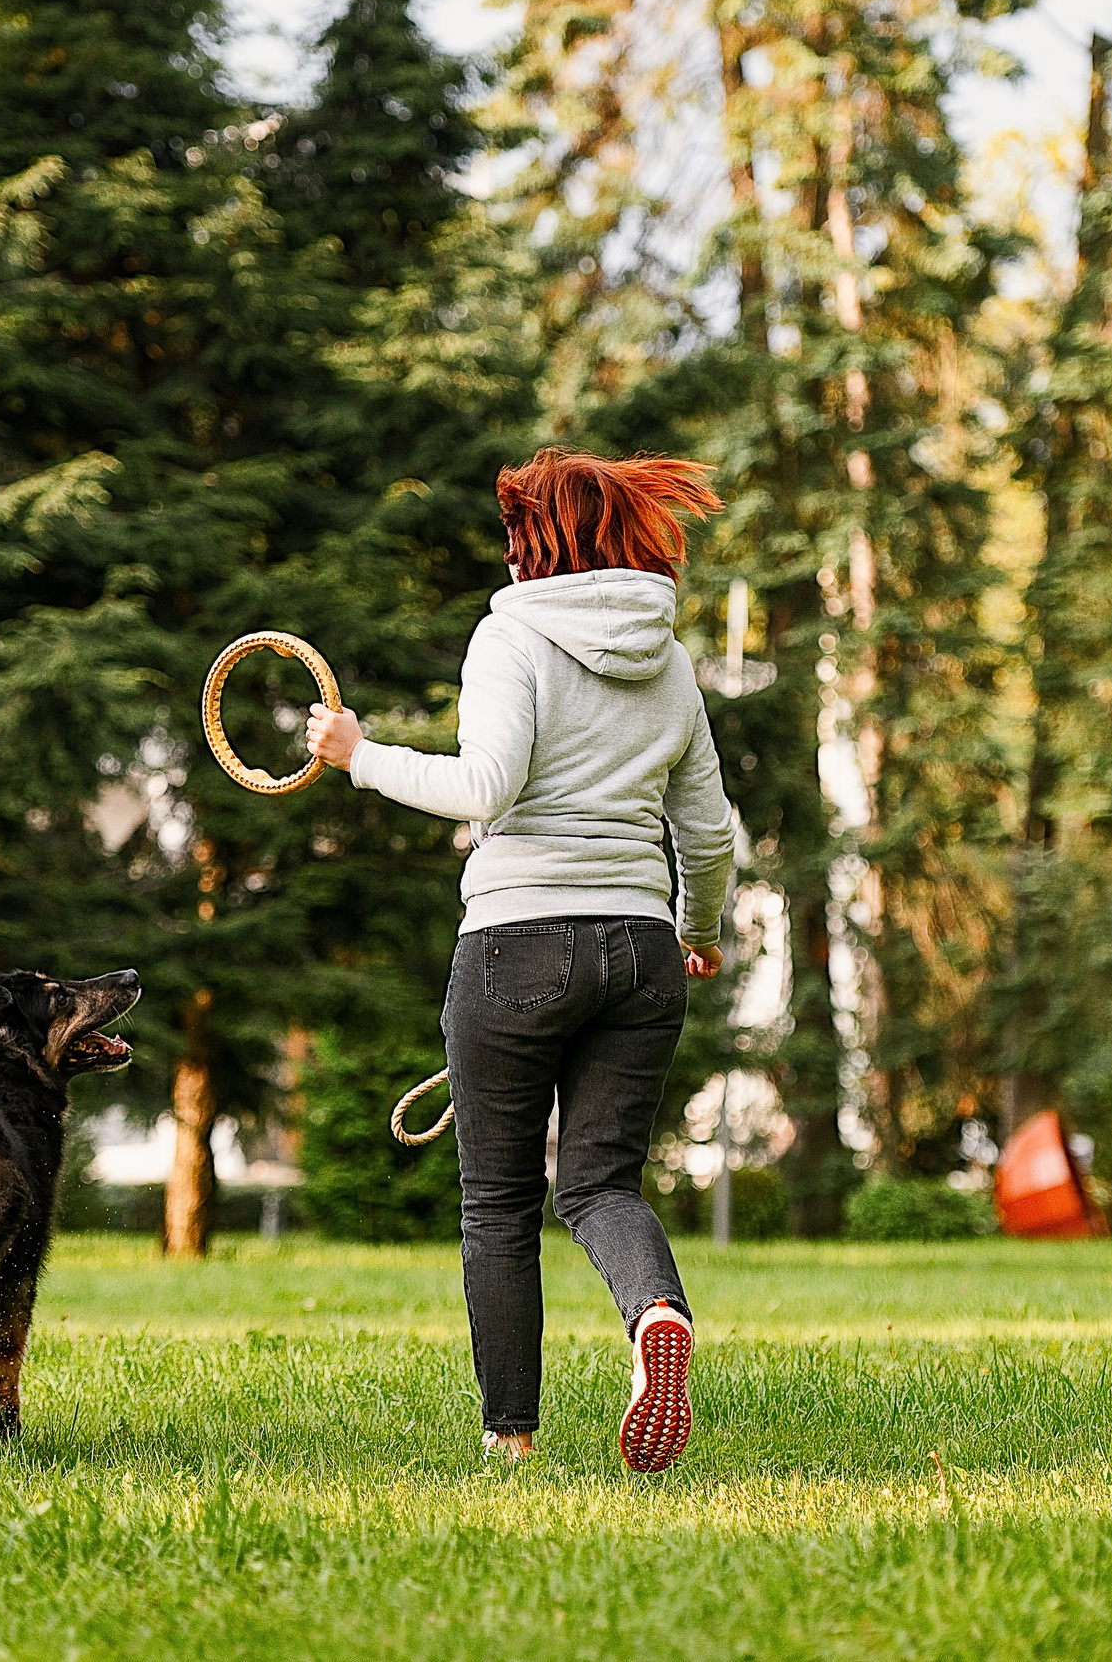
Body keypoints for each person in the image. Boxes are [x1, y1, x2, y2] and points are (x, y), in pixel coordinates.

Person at [305, 446, 736, 1474]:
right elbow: (709, 828)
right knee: (598, 1184)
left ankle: (511, 1436)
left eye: (513, 534)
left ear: (538, 543)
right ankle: (655, 1316)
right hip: (640, 950)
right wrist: (700, 931)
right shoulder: (668, 657)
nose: (504, 552)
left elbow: (484, 788)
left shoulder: (511, 635)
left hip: (514, 942)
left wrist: (355, 756)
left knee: (497, 1200)